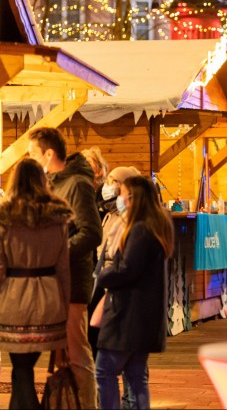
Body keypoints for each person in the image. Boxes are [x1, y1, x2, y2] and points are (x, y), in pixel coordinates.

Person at [28, 126, 102, 408]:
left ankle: (88, 404)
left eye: (33, 154)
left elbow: (91, 232)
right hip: (58, 282)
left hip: (73, 283)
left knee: (77, 352)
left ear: (49, 154)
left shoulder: (77, 184)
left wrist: (57, 253)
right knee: (65, 355)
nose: (31, 159)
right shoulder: (54, 183)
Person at [94, 176, 173, 409]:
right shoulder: (155, 226)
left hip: (128, 314)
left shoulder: (140, 229)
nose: (118, 197)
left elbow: (128, 269)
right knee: (136, 376)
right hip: (142, 314)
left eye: (121, 193)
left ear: (133, 197)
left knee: (104, 371)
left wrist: (102, 276)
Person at [0, 159, 72, 409]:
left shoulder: (5, 217)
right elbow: (64, 269)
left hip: (14, 299)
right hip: (48, 299)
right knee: (22, 370)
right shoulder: (58, 218)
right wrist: (64, 306)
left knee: (21, 371)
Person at [89, 166, 140, 356]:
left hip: (113, 281)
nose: (107, 185)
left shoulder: (129, 219)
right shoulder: (107, 213)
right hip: (103, 276)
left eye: (113, 181)